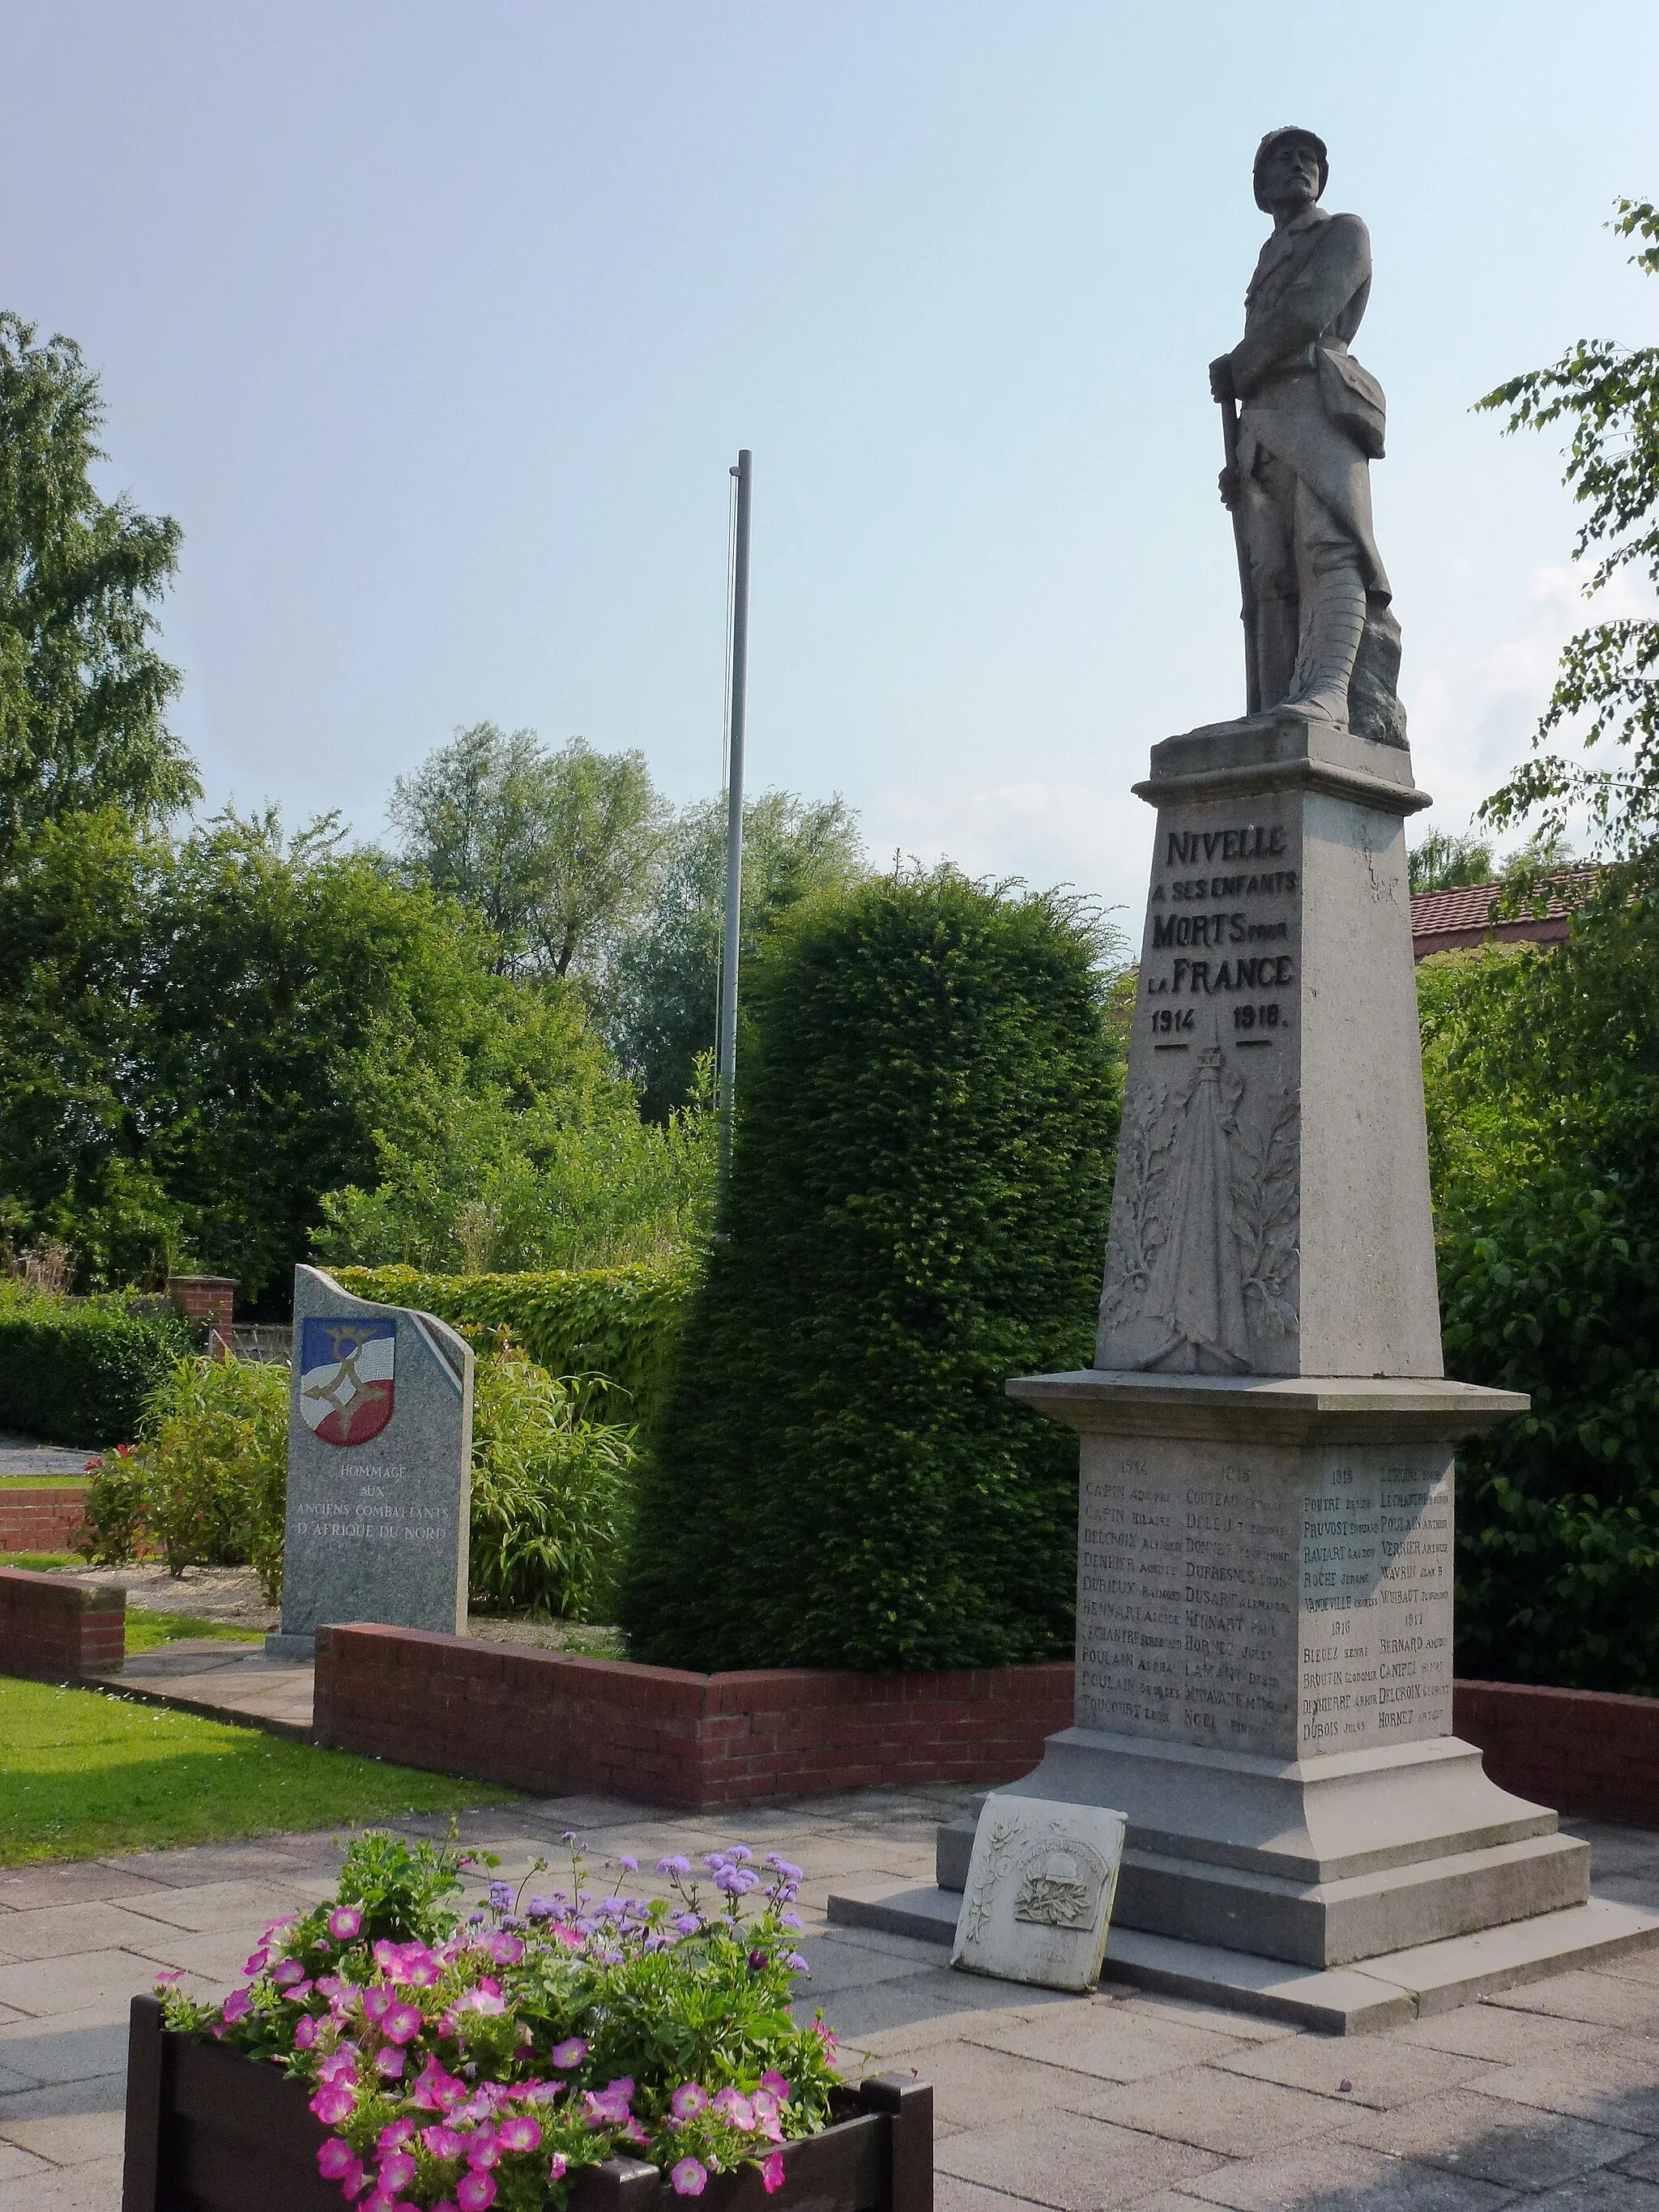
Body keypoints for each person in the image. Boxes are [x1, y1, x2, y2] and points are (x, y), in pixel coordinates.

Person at [1209, 127, 1405, 743]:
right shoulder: (1266, 261)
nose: (1298, 165)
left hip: (1318, 404)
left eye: (1308, 158)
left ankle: (1330, 693)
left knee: (1332, 548)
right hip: (1262, 426)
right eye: (1281, 159)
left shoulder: (1343, 233)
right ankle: (1273, 704)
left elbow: (1308, 313)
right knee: (1269, 574)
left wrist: (1239, 364)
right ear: (1260, 188)